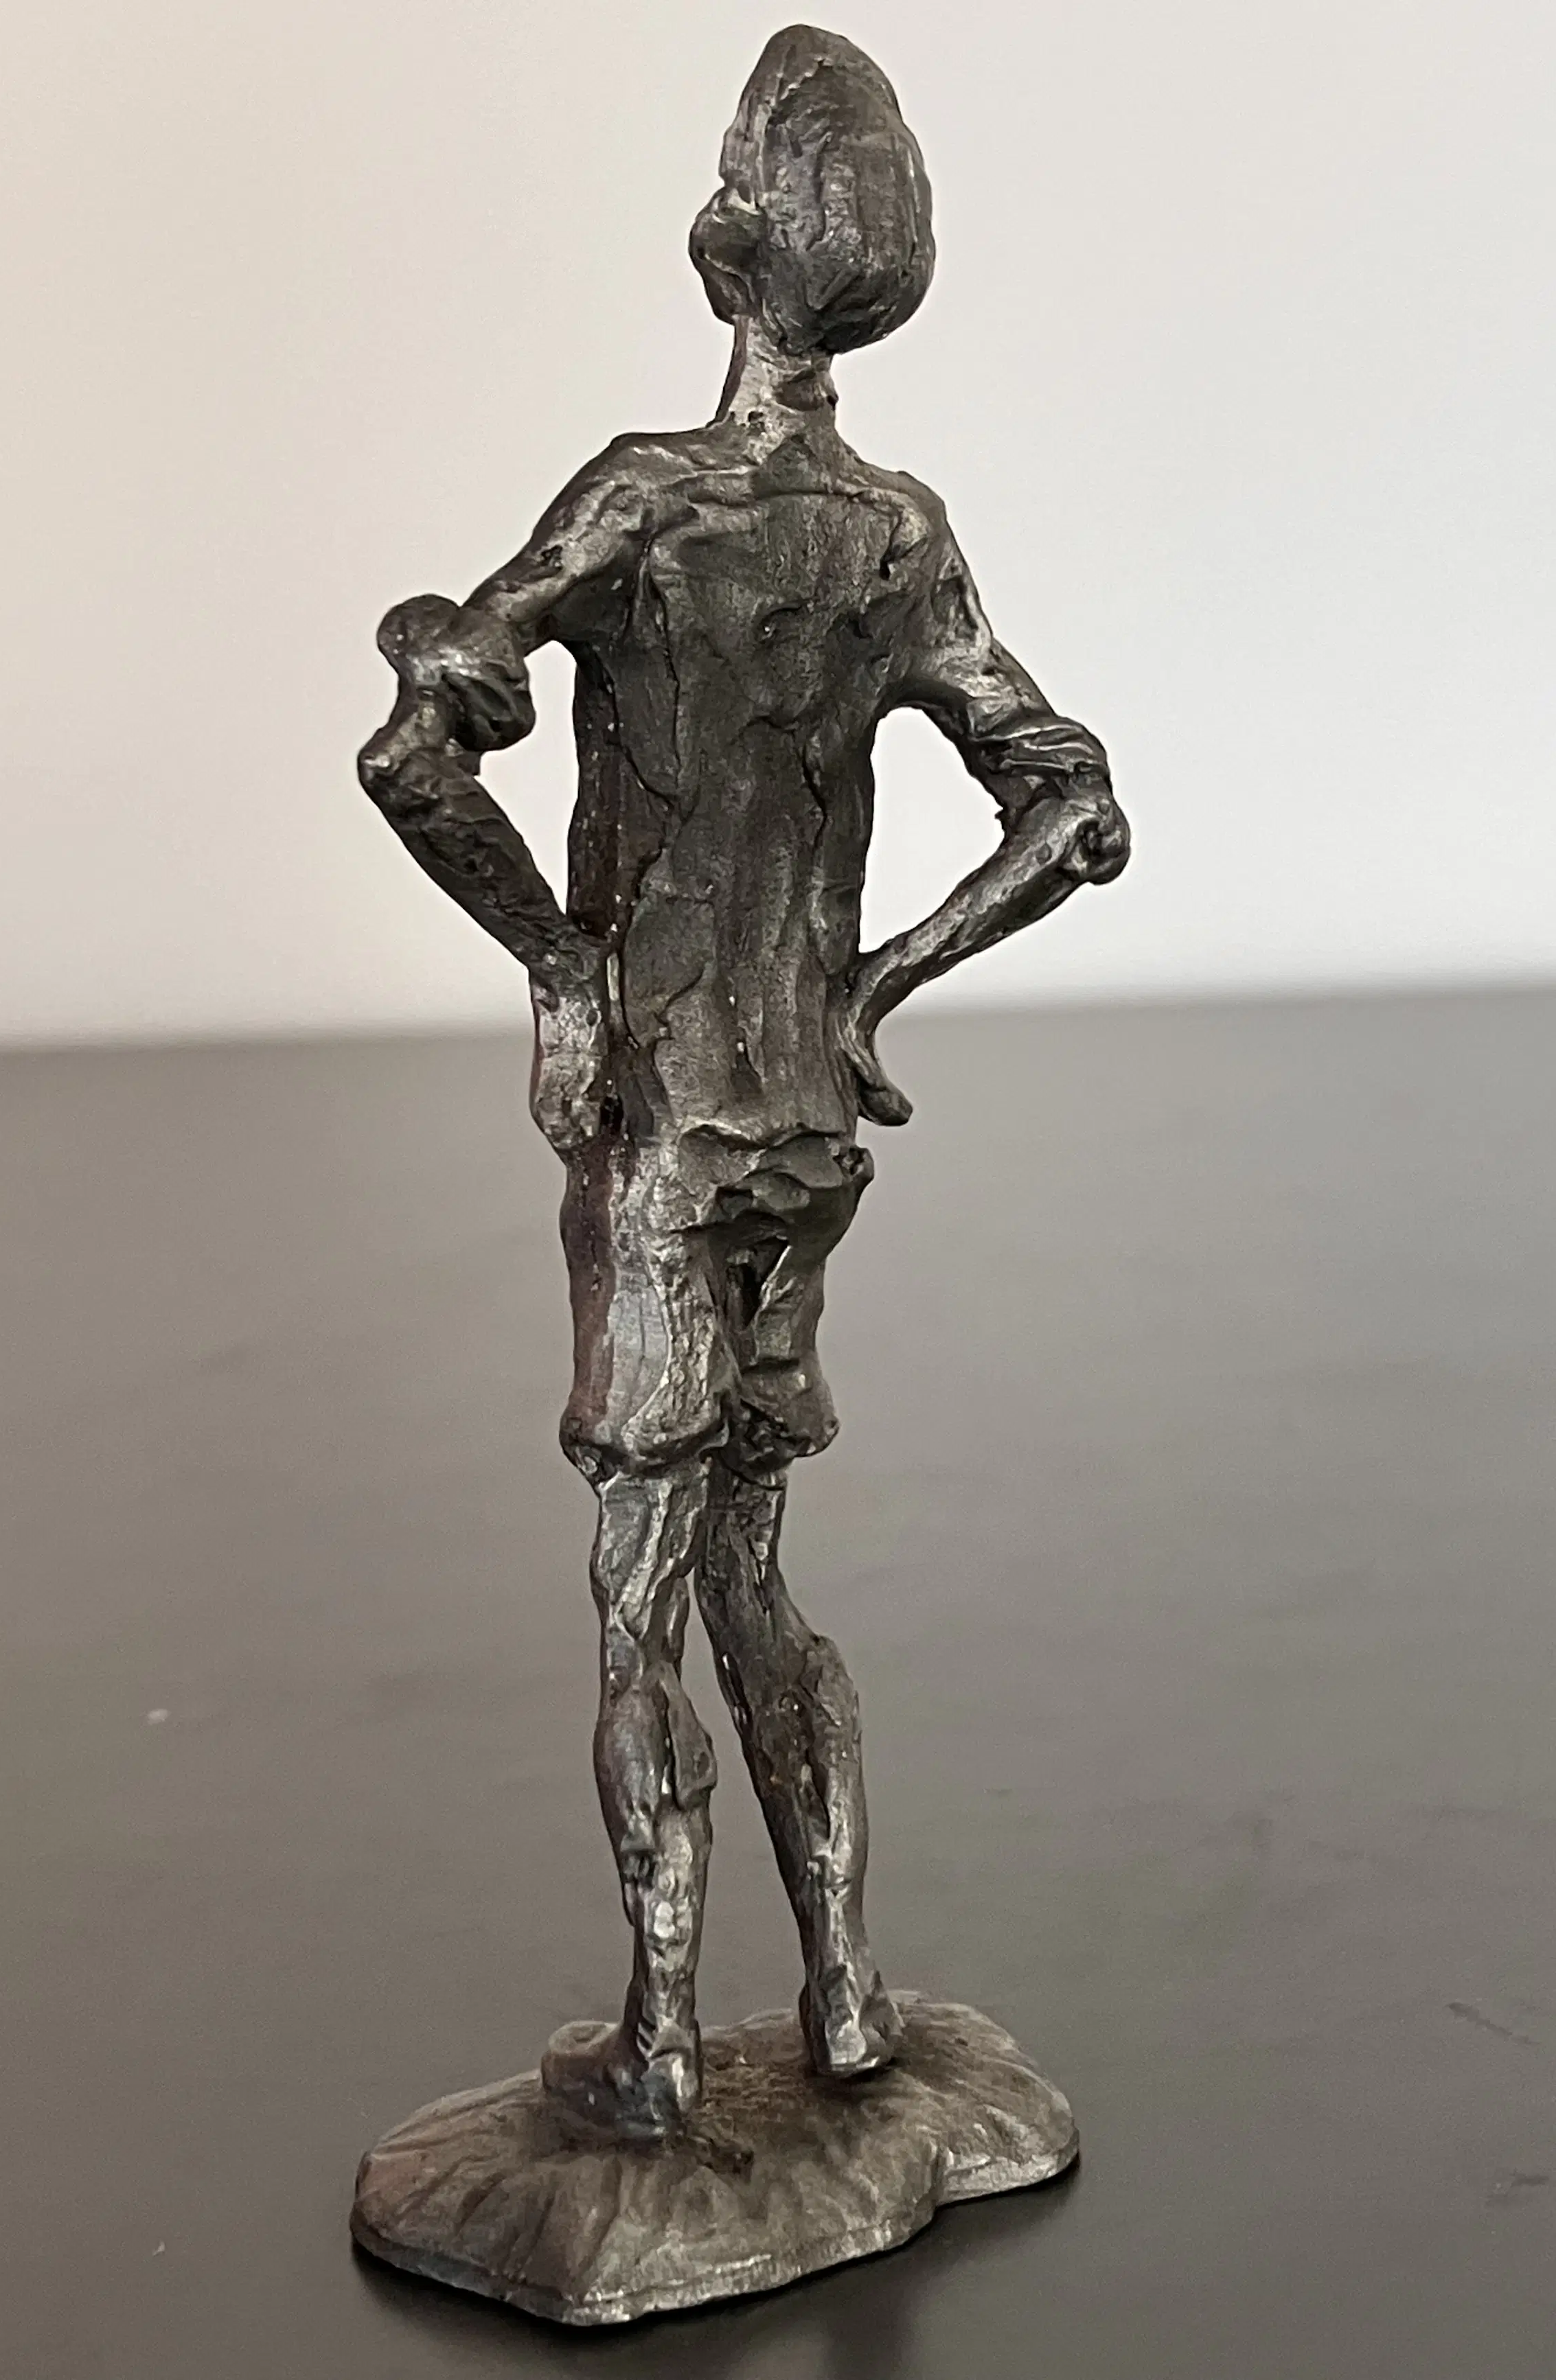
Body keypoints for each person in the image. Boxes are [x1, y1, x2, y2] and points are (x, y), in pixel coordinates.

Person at [358, 24, 1130, 2138]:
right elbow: (1077, 810)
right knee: (756, 1577)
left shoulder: (650, 497)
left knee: (638, 1610)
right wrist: (875, 988)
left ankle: (670, 2047)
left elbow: (417, 752)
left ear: (726, 248)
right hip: (804, 1125)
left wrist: (559, 971)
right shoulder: (898, 533)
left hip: (665, 1122)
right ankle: (850, 2001)